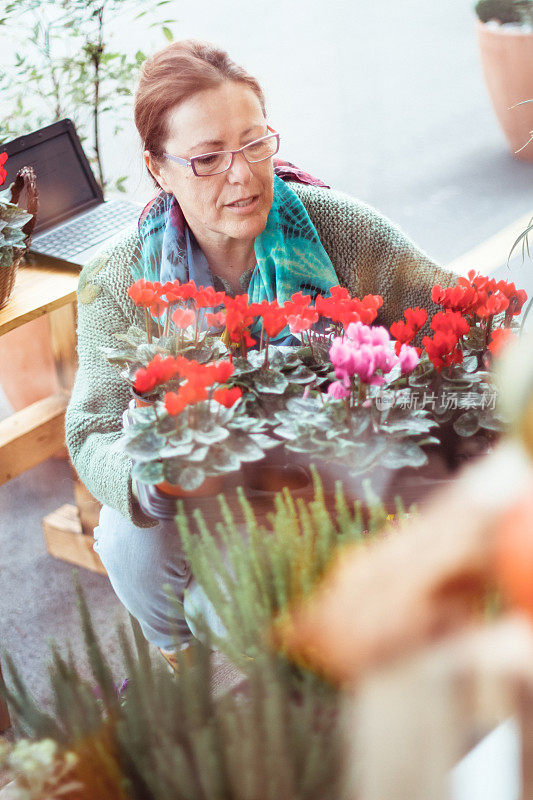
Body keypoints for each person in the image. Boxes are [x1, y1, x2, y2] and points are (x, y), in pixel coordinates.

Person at [65, 39, 456, 659]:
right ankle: (178, 662)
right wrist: (150, 480)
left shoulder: (339, 229)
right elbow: (91, 429)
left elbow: (456, 314)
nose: (241, 173)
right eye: (207, 158)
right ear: (158, 168)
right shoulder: (118, 279)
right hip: (205, 487)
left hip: (325, 473)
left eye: (253, 143)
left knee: (232, 613)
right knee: (128, 537)